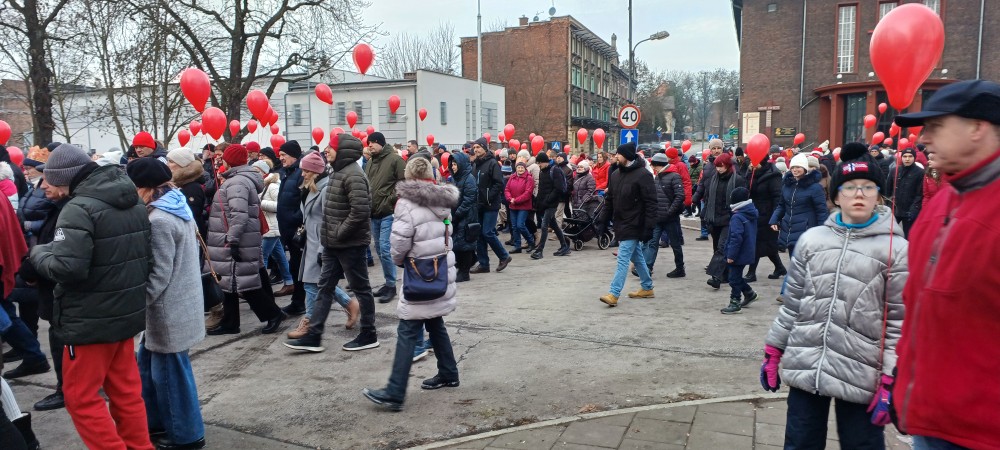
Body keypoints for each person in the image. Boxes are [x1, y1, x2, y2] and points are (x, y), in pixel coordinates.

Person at [761, 142, 905, 448]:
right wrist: (774, 349)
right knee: (799, 442)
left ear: (879, 194)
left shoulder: (896, 250)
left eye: (868, 187)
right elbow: (793, 303)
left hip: (862, 373)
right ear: (836, 195)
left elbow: (898, 322)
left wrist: (893, 376)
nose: (858, 194)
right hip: (808, 365)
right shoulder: (813, 240)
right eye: (850, 187)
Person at [891, 80, 1000, 450]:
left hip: (981, 433)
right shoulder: (941, 202)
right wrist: (901, 378)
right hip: (932, 419)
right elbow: (920, 305)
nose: (923, 139)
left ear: (977, 127)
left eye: (937, 126)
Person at [27, 144, 154, 449]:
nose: (43, 185)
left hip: (89, 321)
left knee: (81, 399)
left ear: (64, 177)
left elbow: (68, 268)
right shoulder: (133, 201)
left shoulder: (79, 207)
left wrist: (38, 254)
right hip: (124, 316)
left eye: (48, 179)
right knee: (126, 394)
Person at [361, 157, 460, 411]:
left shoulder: (405, 203)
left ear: (409, 176)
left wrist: (399, 261)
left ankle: (394, 392)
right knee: (435, 320)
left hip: (420, 273)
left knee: (407, 330)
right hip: (441, 270)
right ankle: (449, 373)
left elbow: (399, 244)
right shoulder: (443, 199)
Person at [125, 159, 207, 450]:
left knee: (171, 378)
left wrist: (133, 303)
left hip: (168, 310)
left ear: (144, 188)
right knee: (151, 369)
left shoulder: (159, 218)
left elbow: (158, 274)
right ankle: (158, 424)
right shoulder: (176, 205)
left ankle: (187, 436)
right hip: (178, 303)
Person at [284, 133, 379, 352]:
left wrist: (337, 233)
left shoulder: (354, 175)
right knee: (323, 288)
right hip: (333, 244)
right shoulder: (338, 172)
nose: (326, 150)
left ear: (342, 150)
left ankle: (369, 334)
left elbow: (360, 212)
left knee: (361, 289)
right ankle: (314, 336)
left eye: (330, 147)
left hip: (350, 244)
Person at [205, 144, 286, 335]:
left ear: (230, 160)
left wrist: (232, 240)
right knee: (229, 283)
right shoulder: (237, 180)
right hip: (232, 238)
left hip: (235, 240)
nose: (220, 159)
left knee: (243, 284)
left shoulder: (237, 183)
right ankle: (230, 322)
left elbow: (239, 215)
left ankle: (273, 314)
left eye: (224, 157)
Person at [285, 151, 359, 339]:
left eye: (306, 171)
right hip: (311, 241)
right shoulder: (311, 187)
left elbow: (330, 220)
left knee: (312, 284)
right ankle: (350, 304)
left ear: (315, 171)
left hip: (321, 242)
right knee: (319, 283)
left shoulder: (326, 189)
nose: (302, 174)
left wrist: (322, 248)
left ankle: (309, 322)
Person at [599, 142, 657, 307]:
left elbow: (651, 203)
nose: (615, 156)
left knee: (623, 258)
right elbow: (609, 200)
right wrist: (603, 221)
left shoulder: (643, 175)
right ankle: (647, 287)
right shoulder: (615, 174)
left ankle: (614, 293)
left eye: (618, 154)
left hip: (635, 224)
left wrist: (649, 227)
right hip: (620, 222)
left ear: (628, 156)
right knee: (637, 256)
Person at [366, 132, 406, 303]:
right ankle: (388, 282)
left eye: (374, 142)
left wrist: (390, 200)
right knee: (380, 249)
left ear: (381, 143)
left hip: (388, 211)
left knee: (384, 248)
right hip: (373, 212)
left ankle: (391, 285)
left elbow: (403, 183)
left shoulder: (395, 160)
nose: (370, 145)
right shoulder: (369, 162)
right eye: (369, 143)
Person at [698, 153, 747, 290]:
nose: (719, 169)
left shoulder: (737, 180)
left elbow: (743, 199)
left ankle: (715, 277)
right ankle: (724, 274)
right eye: (717, 167)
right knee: (717, 248)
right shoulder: (713, 180)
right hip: (714, 219)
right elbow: (707, 198)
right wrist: (705, 214)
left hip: (730, 219)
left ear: (728, 165)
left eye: (721, 166)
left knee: (721, 248)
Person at [469, 137, 512, 272]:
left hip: (490, 204)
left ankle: (504, 256)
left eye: (478, 147)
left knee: (487, 232)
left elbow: (499, 183)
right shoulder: (475, 164)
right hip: (479, 204)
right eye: (474, 148)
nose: (476, 150)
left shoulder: (493, 163)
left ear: (484, 148)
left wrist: (488, 197)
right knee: (480, 234)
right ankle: (484, 264)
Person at [253, 159, 295, 296]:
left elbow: (280, 206)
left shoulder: (272, 186)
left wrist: (260, 203)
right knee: (280, 257)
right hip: (267, 227)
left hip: (272, 228)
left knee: (262, 257)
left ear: (264, 172)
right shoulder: (260, 185)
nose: (254, 174)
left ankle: (261, 290)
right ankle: (290, 282)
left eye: (256, 171)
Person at [276, 140, 307, 315]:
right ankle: (298, 301)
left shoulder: (300, 173)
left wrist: (294, 219)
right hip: (287, 228)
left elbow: (304, 203)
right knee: (295, 267)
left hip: (296, 230)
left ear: (293, 156)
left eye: (283, 155)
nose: (280, 158)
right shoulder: (288, 173)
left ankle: (299, 303)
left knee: (299, 268)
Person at [644, 153, 685, 278]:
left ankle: (680, 268)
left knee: (675, 244)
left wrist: (670, 212)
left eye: (654, 165)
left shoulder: (674, 176)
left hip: (670, 218)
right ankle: (648, 268)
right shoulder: (658, 176)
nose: (653, 168)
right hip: (658, 217)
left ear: (659, 165)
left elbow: (680, 196)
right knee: (652, 242)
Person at [745, 157, 785, 282]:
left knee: (757, 243)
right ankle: (780, 267)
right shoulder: (752, 173)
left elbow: (777, 197)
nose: (751, 163)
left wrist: (776, 218)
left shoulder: (773, 175)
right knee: (767, 244)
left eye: (754, 161)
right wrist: (749, 173)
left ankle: (751, 273)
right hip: (754, 213)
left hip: (768, 215)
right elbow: (747, 189)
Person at [720, 187, 758, 314]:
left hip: (738, 253)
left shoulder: (737, 217)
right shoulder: (750, 213)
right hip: (747, 251)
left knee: (733, 279)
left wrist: (731, 255)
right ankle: (749, 293)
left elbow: (736, 238)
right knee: (735, 277)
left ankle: (735, 302)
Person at [530, 152, 570, 259]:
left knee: (544, 225)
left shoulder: (555, 170)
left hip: (552, 203)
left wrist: (548, 200)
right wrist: (537, 202)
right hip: (544, 203)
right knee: (555, 226)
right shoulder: (542, 172)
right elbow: (541, 189)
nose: (539, 165)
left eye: (540, 163)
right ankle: (564, 246)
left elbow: (558, 188)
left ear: (545, 162)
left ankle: (540, 250)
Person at [448, 151, 479, 282]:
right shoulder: (456, 178)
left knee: (465, 245)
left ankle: (464, 272)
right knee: (459, 244)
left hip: (466, 216)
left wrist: (457, 214)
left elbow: (468, 199)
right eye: (452, 164)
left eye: (455, 164)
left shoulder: (469, 179)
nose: (453, 166)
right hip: (457, 215)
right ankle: (463, 267)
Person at [883, 147, 924, 237]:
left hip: (909, 210)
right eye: (905, 156)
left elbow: (919, 193)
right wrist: (887, 204)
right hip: (895, 208)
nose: (907, 159)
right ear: (901, 157)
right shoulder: (895, 170)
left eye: (910, 156)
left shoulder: (920, 172)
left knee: (909, 236)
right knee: (889, 235)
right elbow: (888, 189)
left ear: (914, 157)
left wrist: (914, 209)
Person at [693, 139, 726, 241]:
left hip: (725, 208)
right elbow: (702, 184)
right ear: (710, 150)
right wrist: (694, 199)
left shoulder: (729, 164)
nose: (716, 151)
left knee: (723, 242)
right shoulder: (708, 166)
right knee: (716, 241)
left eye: (719, 148)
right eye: (714, 148)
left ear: (722, 149)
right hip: (711, 207)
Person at [504, 161, 535, 254]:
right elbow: (507, 189)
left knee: (520, 225)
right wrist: (510, 199)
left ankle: (531, 242)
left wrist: (516, 200)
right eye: (518, 167)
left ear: (525, 168)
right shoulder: (512, 177)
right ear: (516, 168)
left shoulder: (529, 178)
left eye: (522, 168)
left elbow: (528, 193)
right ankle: (517, 246)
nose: (520, 169)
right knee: (514, 227)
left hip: (523, 206)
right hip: (513, 205)